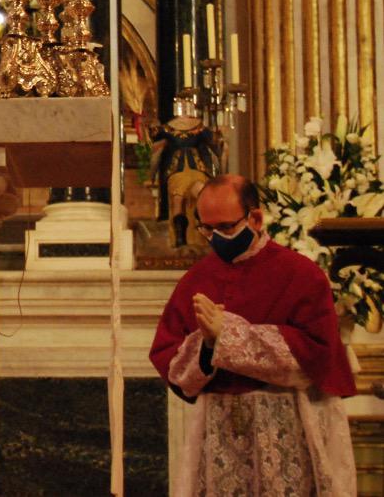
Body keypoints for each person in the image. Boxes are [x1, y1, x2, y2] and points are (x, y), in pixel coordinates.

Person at [149, 174, 357, 496]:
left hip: (286, 425)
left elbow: (316, 356)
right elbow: (171, 362)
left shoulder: (301, 274)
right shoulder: (196, 280)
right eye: (207, 228)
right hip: (217, 429)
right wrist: (206, 346)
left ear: (256, 218)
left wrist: (229, 336)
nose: (216, 237)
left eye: (226, 227)